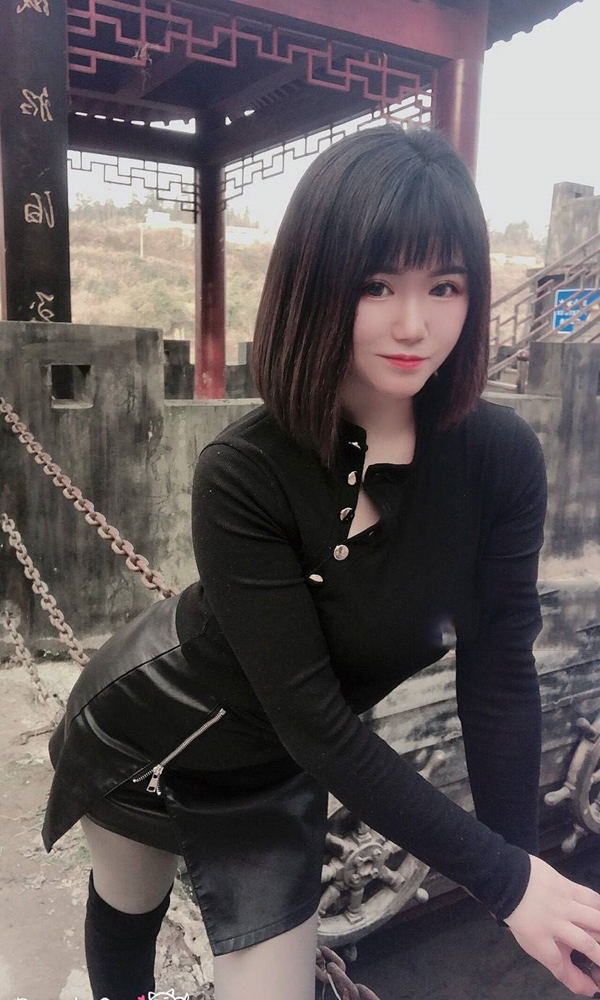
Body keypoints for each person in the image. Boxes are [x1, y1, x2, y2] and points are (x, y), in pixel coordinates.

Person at [42, 123, 600, 1000]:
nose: (413, 323)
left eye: (444, 285)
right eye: (376, 284)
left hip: (286, 768)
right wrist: (505, 881)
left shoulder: (500, 459)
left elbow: (498, 673)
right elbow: (315, 719)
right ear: (316, 284)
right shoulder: (246, 471)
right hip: (160, 734)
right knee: (130, 905)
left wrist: (520, 875)